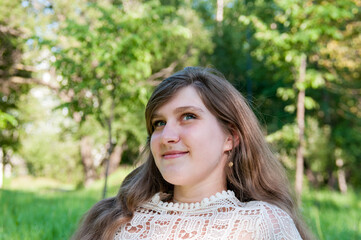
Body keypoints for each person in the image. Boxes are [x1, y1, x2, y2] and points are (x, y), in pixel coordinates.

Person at [73, 67, 311, 240]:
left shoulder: (263, 224)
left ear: (231, 137)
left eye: (188, 116)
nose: (167, 136)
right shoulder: (114, 221)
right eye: (158, 123)